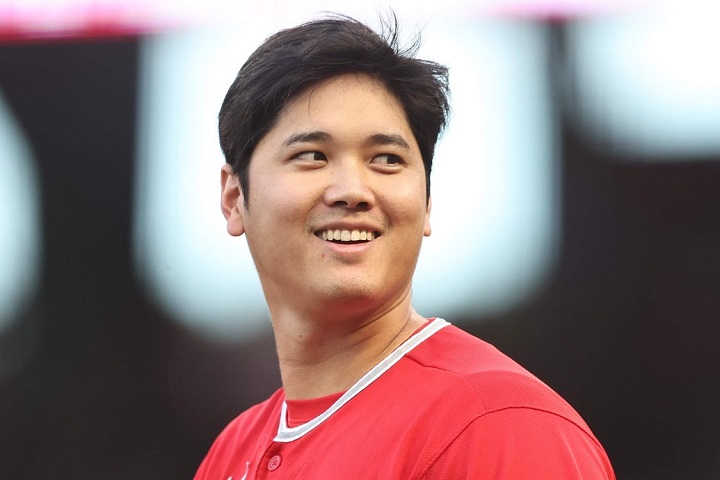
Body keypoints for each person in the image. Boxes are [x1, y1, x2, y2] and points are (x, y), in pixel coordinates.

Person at [195, 14, 615, 480]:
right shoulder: (230, 453)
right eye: (312, 155)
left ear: (428, 201)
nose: (353, 191)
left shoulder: (500, 426)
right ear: (234, 197)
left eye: (386, 159)